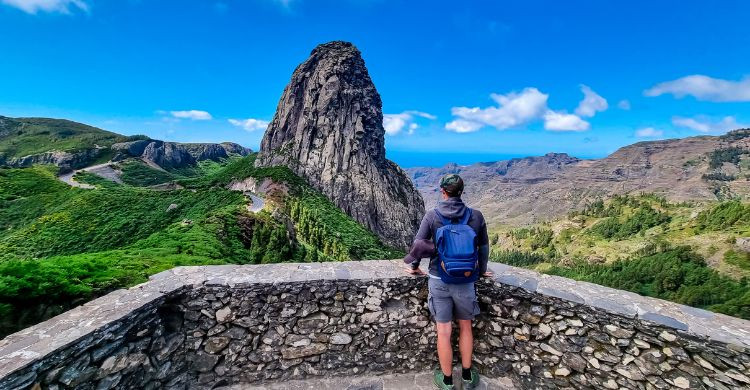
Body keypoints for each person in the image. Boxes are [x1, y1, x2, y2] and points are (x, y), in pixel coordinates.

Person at [404, 174, 492, 390]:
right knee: (465, 327)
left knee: (443, 331)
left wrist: (414, 267)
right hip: (466, 281)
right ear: (461, 191)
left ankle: (447, 380)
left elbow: (419, 246)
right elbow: (483, 247)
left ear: (443, 191)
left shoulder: (432, 216)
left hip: (438, 278)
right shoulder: (476, 216)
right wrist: (480, 270)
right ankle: (468, 376)